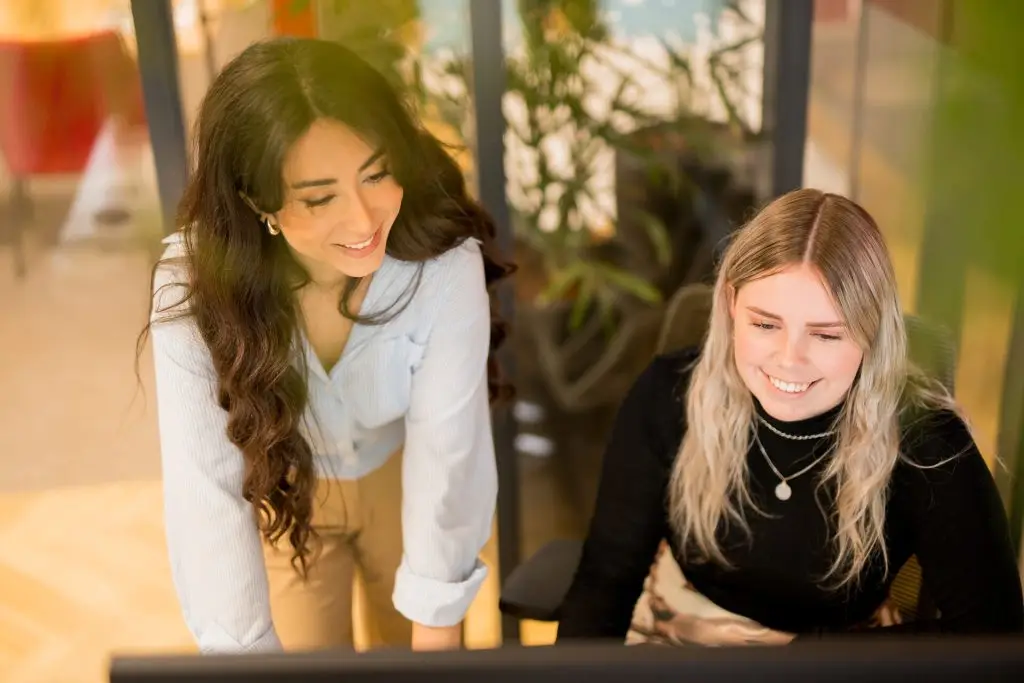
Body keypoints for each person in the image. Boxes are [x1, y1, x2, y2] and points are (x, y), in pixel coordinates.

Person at [140, 37, 513, 654]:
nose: (365, 221)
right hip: (289, 489)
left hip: (408, 482)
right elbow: (203, 488)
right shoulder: (192, 287)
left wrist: (439, 632)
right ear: (257, 200)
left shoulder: (442, 265)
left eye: (377, 174)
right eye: (319, 198)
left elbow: (449, 452)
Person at [556, 189, 1024, 644]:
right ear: (731, 305)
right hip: (677, 636)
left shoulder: (927, 441)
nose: (789, 360)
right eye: (765, 324)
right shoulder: (669, 395)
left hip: (840, 667)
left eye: (825, 335)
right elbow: (605, 582)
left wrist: (809, 659)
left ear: (873, 333)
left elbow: (994, 637)